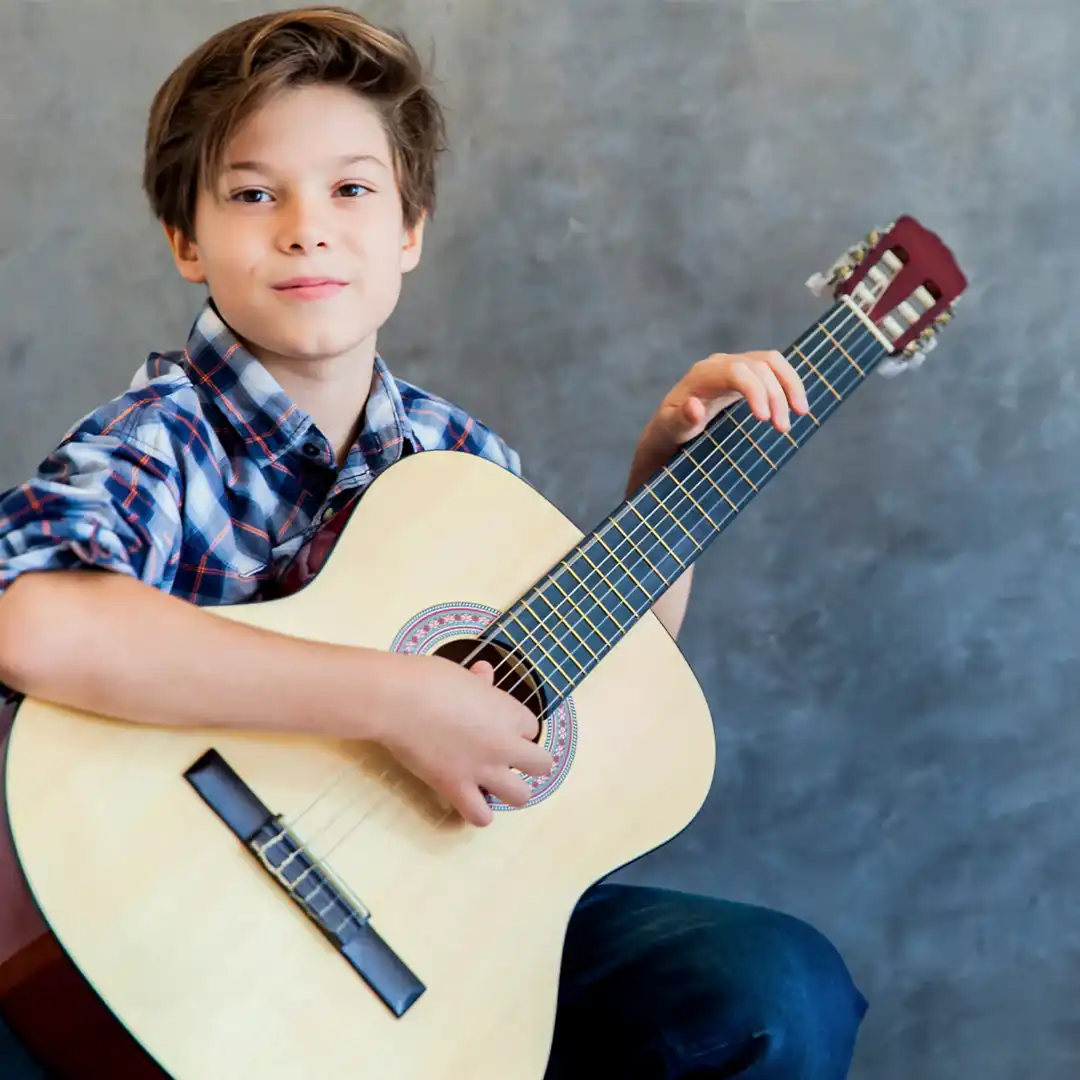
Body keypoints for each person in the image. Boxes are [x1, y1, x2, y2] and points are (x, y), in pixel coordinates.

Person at [0, 7, 867, 1077]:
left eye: (352, 189)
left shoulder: (460, 459)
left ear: (410, 228)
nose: (307, 228)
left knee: (775, 986)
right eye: (255, 193)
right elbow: (33, 621)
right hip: (179, 923)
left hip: (431, 927)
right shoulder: (161, 438)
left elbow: (583, 681)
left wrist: (664, 484)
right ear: (187, 240)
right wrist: (400, 699)